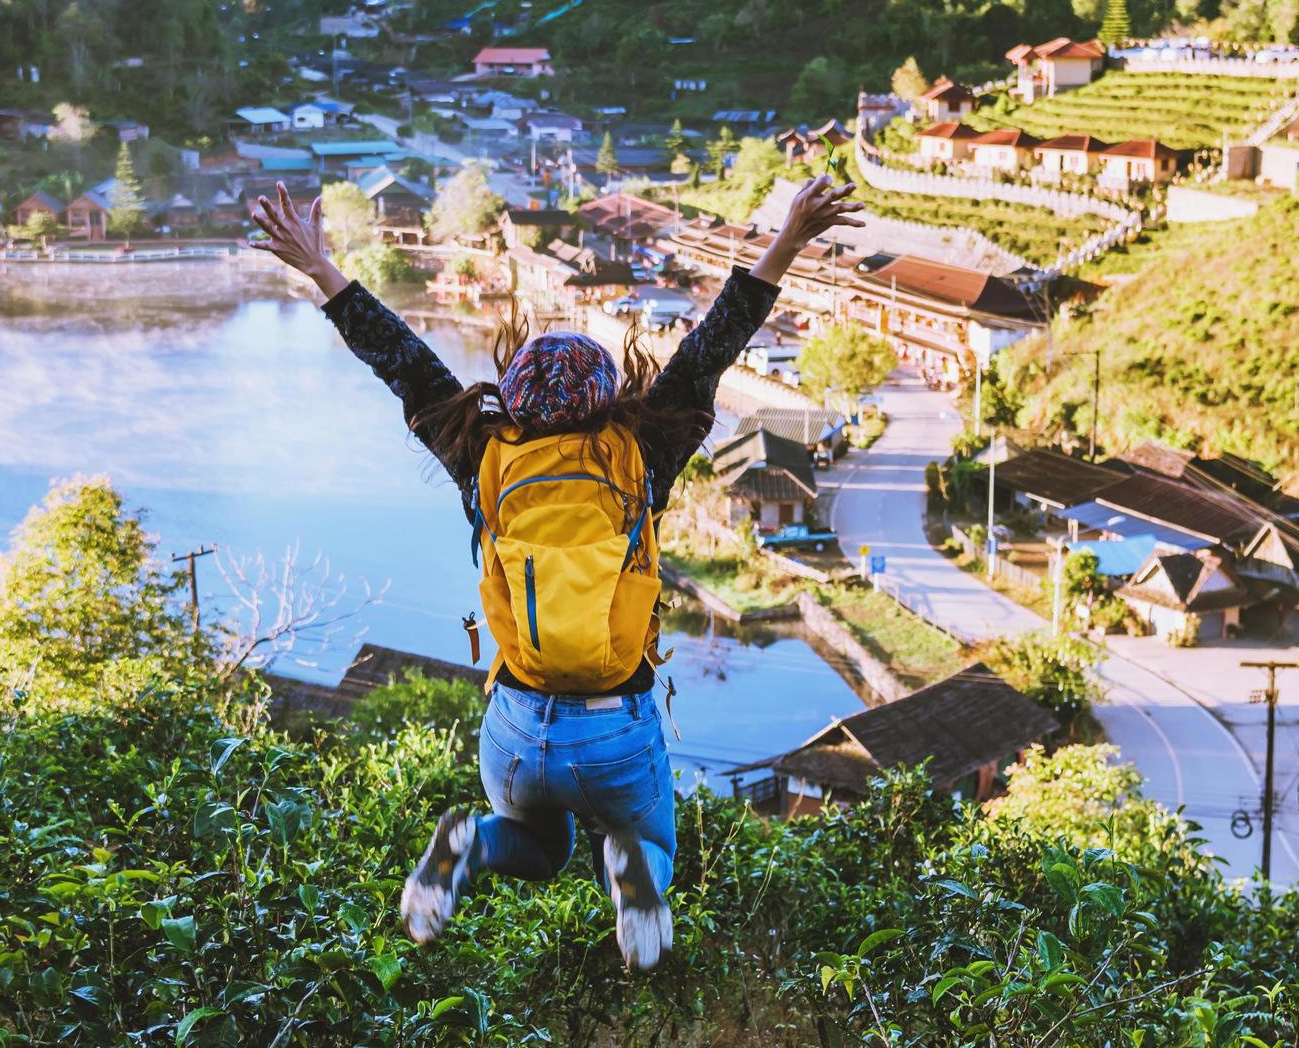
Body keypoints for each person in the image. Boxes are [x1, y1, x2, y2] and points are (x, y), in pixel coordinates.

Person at [247, 172, 864, 969]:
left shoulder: (482, 455)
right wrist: (786, 240)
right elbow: (714, 345)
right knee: (648, 837)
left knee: (537, 849)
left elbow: (402, 360)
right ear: (607, 400)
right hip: (615, 724)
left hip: (514, 727)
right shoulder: (642, 456)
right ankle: (634, 872)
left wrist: (324, 271)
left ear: (511, 398)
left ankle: (464, 845)